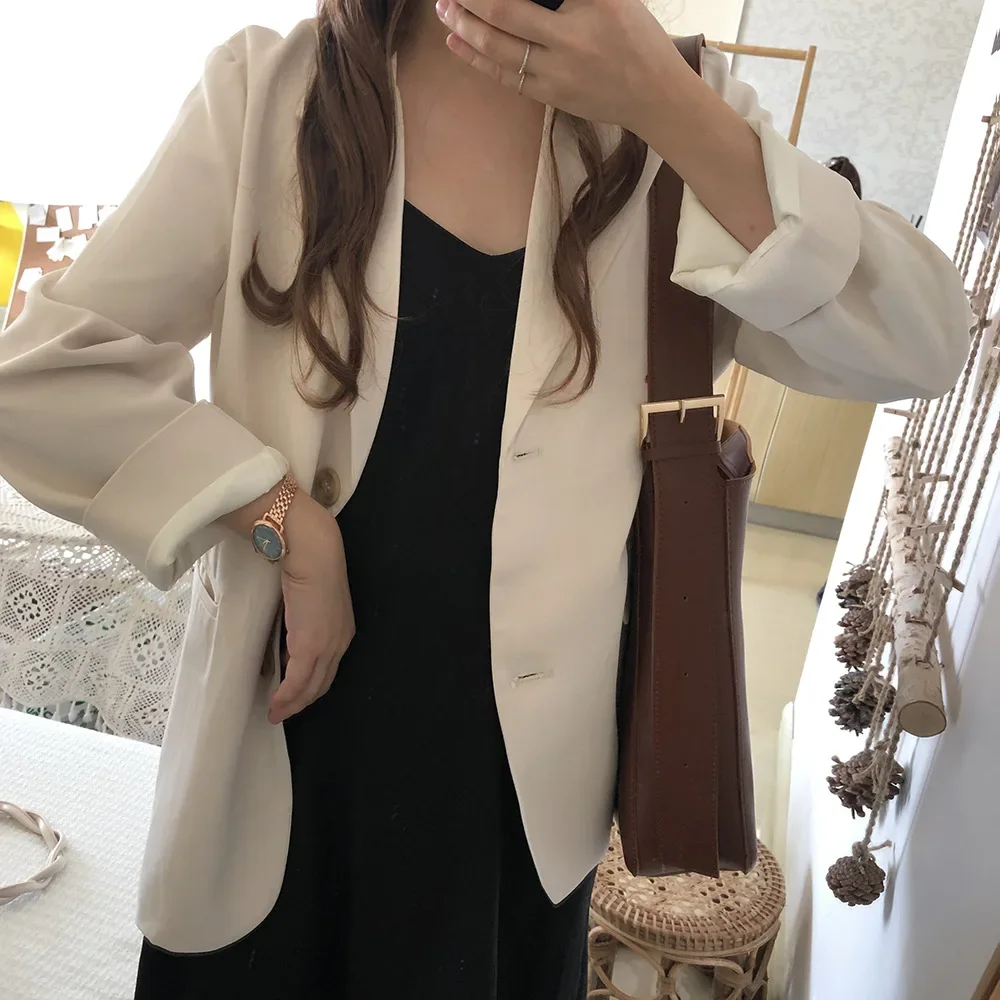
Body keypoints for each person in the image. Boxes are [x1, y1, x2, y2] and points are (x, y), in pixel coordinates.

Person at [0, 1, 972, 997]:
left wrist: (668, 104)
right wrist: (275, 511)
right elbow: (39, 373)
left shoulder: (678, 121)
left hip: (512, 812)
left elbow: (924, 341)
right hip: (279, 745)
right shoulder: (268, 97)